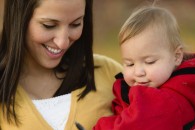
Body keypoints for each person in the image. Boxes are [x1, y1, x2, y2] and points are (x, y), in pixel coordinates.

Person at [93, 5, 195, 130]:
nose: (138, 72)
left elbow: (130, 126)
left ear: (176, 57)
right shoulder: (158, 89)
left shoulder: (166, 101)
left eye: (150, 62)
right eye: (130, 64)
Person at [0, 0, 122, 130]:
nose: (62, 43)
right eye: (49, 25)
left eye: (76, 24)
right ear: (18, 18)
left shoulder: (113, 75)